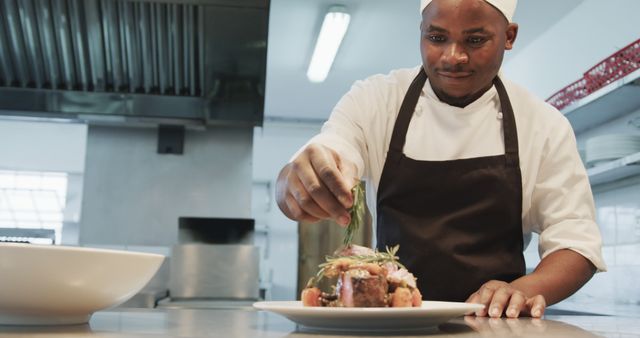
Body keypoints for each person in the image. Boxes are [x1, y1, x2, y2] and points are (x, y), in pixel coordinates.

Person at [275, 0, 606, 318]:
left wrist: (526, 288)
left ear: (509, 37)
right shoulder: (375, 100)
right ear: (421, 31)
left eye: (475, 40)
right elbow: (333, 149)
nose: (453, 56)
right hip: (390, 320)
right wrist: (296, 181)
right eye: (436, 38)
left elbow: (576, 244)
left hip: (495, 325)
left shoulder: (542, 124)